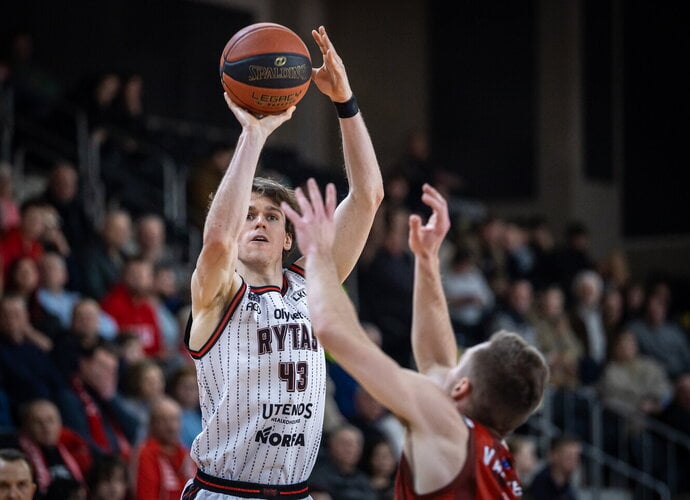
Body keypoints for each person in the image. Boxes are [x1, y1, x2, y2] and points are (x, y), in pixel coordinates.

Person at [182, 25, 383, 499]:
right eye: (248, 214)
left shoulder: (311, 285)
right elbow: (217, 241)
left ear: (288, 236)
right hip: (226, 492)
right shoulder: (218, 294)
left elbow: (368, 196)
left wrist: (345, 100)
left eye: (271, 216)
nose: (258, 222)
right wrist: (253, 134)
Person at [282, 179, 549, 498]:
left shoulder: (445, 425)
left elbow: (334, 331)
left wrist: (320, 255)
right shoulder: (497, 455)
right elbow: (437, 361)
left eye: (461, 365)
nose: (450, 366)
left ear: (462, 388)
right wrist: (427, 259)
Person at [526, 435, 582, 500]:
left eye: (577, 456)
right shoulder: (540, 484)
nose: (575, 460)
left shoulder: (568, 488)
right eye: (569, 456)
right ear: (554, 455)